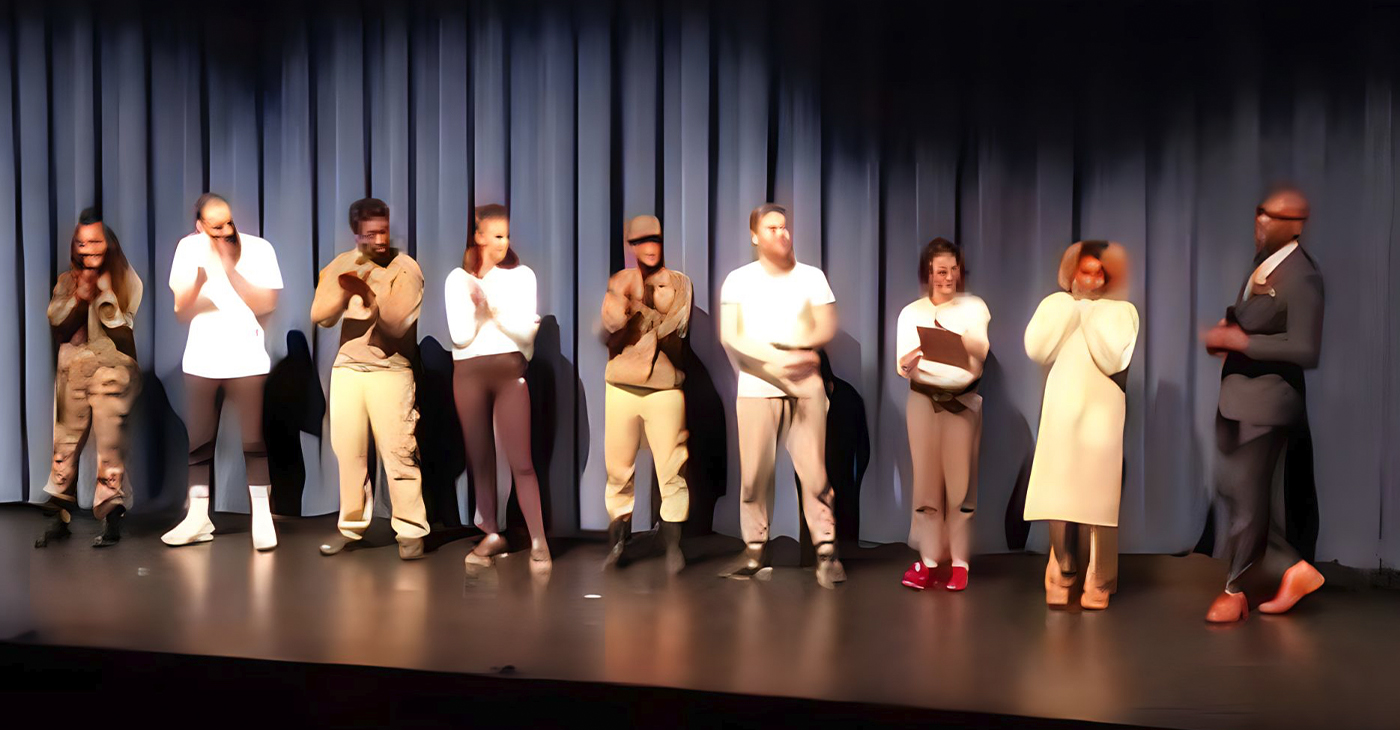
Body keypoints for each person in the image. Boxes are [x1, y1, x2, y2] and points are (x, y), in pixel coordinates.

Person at [1201, 187, 1326, 623]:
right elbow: (1248, 317)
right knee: (1237, 497)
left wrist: (1242, 342)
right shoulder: (1261, 267)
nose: (1260, 222)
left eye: (1270, 216)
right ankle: (1294, 570)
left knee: (1247, 501)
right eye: (1257, 213)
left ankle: (1235, 591)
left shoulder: (1302, 276)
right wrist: (1227, 327)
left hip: (1269, 404)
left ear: (1295, 225)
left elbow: (1306, 347)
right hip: (1237, 400)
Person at [718, 203, 845, 588]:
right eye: (772, 228)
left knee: (815, 473)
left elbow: (826, 324)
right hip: (758, 383)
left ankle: (825, 550)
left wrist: (801, 349)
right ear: (755, 236)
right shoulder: (738, 280)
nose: (782, 233)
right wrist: (777, 359)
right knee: (755, 474)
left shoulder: (811, 277)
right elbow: (731, 334)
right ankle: (756, 548)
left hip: (805, 386)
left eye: (785, 227)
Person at [161, 193, 282, 551]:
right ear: (199, 226)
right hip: (201, 358)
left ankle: (262, 516)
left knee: (253, 441)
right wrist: (199, 287)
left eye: (229, 222)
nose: (226, 231)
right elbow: (182, 310)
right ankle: (198, 516)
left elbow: (266, 303)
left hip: (247, 358)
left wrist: (229, 270)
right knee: (199, 442)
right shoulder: (187, 249)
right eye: (216, 227)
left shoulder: (259, 249)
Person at [1023, 241, 1139, 610]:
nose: (1090, 280)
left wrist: (1088, 312)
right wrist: (1070, 310)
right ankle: (1063, 564)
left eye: (1098, 273)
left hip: (1102, 409)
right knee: (1057, 493)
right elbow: (1037, 349)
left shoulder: (1122, 311)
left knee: (1098, 500)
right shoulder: (1055, 305)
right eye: (1084, 271)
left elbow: (1112, 358)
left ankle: (1100, 576)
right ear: (1071, 272)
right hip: (1061, 406)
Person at [312, 198, 430, 560]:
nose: (380, 240)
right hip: (347, 370)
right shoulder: (341, 265)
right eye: (370, 233)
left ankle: (410, 532)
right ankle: (350, 528)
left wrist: (368, 294)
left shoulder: (405, 268)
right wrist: (347, 290)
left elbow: (396, 324)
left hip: (390, 371)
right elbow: (320, 315)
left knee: (399, 454)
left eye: (384, 230)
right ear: (356, 233)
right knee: (349, 455)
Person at [446, 204, 551, 568]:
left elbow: (526, 338)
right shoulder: (458, 280)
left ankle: (539, 539)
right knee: (480, 458)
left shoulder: (523, 276)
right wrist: (482, 313)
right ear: (478, 236)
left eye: (507, 235)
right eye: (496, 235)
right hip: (468, 375)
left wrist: (491, 311)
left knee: (521, 461)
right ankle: (491, 533)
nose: (504, 242)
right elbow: (459, 337)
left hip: (509, 373)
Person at [35, 208, 143, 548]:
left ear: (107, 244)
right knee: (63, 447)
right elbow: (56, 321)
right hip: (74, 370)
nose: (88, 250)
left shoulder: (125, 278)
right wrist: (79, 297)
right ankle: (60, 518)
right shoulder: (68, 281)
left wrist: (104, 296)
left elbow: (126, 333)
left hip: (112, 372)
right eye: (81, 243)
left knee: (110, 446)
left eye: (95, 242)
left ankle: (112, 518)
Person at [895, 238, 990, 592]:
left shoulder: (973, 307)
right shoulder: (911, 312)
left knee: (961, 490)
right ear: (928, 274)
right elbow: (901, 365)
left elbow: (980, 351)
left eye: (953, 269)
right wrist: (916, 355)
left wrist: (960, 340)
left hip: (961, 403)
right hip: (922, 401)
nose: (948, 277)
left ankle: (960, 562)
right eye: (940, 270)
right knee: (926, 487)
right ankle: (930, 559)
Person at [599, 215, 693, 573]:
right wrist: (622, 306)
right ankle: (618, 541)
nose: (649, 246)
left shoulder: (680, 283)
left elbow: (678, 329)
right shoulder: (619, 282)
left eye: (655, 238)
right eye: (640, 241)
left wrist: (643, 308)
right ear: (631, 245)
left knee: (672, 469)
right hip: (622, 386)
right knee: (618, 470)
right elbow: (609, 332)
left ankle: (672, 546)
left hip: (664, 388)